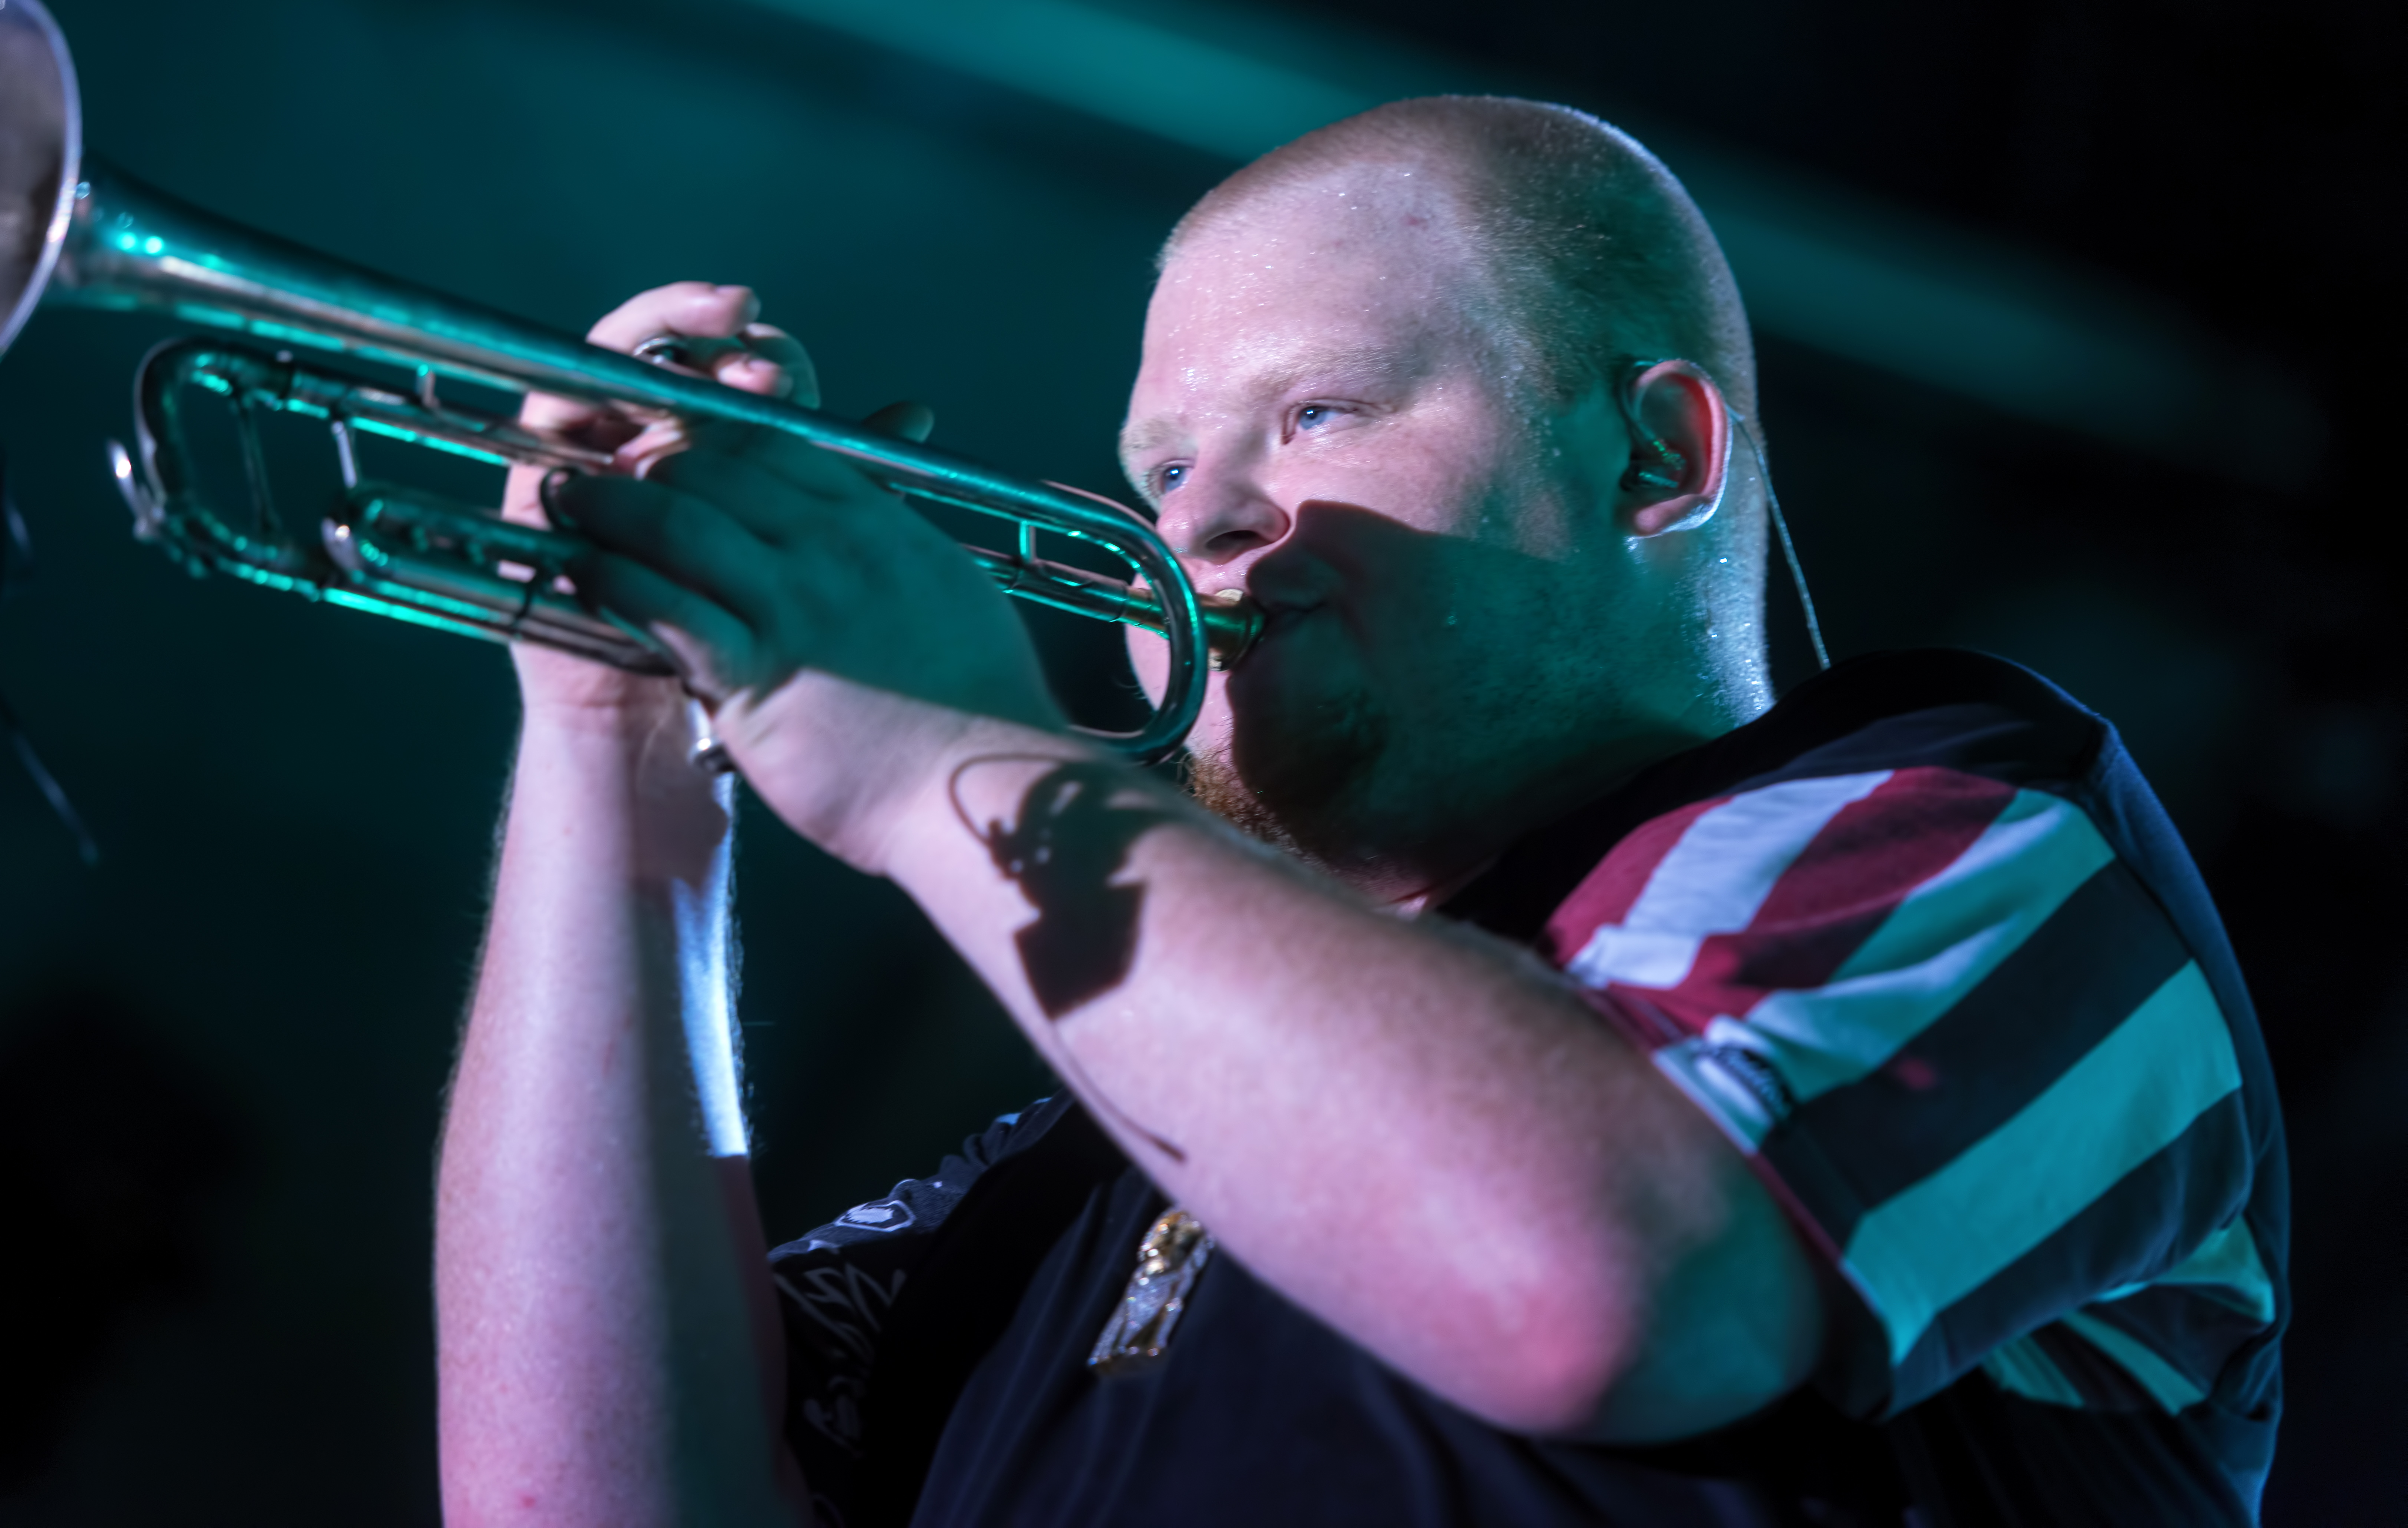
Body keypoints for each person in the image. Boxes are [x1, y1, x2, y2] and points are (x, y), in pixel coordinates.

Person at [433, 98, 2286, 1527]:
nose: (1201, 525)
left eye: (1316, 414)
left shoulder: (1975, 830)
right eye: (1163, 466)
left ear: (1656, 454)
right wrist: (610, 748)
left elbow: (1600, 1285)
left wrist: (942, 761)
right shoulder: (1115, 1137)